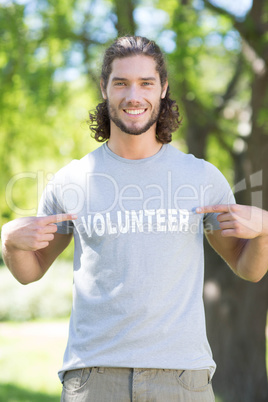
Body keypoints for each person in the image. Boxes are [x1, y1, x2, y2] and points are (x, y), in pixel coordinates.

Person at [2, 36, 268, 402]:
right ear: (104, 87)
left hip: (182, 379)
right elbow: (29, 271)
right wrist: (9, 243)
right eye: (121, 83)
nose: (133, 96)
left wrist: (265, 232)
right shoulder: (72, 181)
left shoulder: (201, 178)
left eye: (146, 83)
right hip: (94, 378)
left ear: (163, 88)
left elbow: (247, 268)